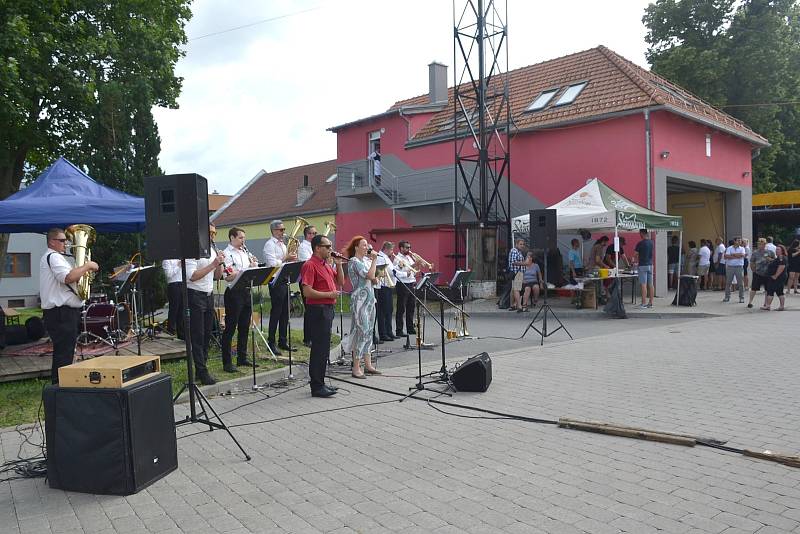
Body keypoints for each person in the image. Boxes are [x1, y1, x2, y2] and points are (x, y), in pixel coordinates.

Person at [40, 227, 100, 383]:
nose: (65, 243)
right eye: (61, 240)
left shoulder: (57, 257)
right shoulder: (53, 256)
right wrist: (87, 266)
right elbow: (67, 278)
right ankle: (60, 385)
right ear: (52, 242)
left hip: (63, 312)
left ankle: (61, 383)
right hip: (60, 312)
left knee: (66, 350)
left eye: (65, 240)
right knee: (64, 352)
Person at [300, 234, 345, 397]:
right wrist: (329, 295)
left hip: (327, 308)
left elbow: (340, 281)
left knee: (324, 348)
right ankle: (316, 386)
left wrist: (339, 265)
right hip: (318, 309)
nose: (330, 249)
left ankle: (321, 382)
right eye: (327, 247)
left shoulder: (326, 265)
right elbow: (307, 292)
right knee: (319, 348)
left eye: (331, 246)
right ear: (317, 248)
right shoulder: (310, 265)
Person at [186, 223, 225, 385]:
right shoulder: (192, 251)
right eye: (210, 233)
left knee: (208, 333)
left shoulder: (211, 250)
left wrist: (221, 263)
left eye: (214, 233)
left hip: (209, 295)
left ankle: (201, 368)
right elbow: (192, 276)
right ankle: (202, 372)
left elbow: (217, 276)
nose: (212, 236)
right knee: (198, 335)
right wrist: (213, 264)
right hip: (194, 295)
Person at [221, 227, 258, 372]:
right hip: (234, 292)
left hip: (246, 292)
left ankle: (242, 358)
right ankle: (227, 362)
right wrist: (245, 271)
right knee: (230, 327)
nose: (244, 240)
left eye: (244, 237)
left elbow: (247, 271)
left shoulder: (244, 252)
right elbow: (228, 275)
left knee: (244, 326)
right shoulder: (227, 253)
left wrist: (253, 265)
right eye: (241, 237)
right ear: (232, 238)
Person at [343, 236, 381, 378]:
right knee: (362, 331)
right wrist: (375, 261)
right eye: (364, 245)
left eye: (367, 245)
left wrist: (374, 274)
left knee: (369, 332)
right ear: (356, 247)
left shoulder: (365, 261)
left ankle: (368, 364)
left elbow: (374, 279)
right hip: (360, 301)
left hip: (370, 300)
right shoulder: (354, 261)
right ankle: (356, 367)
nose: (367, 247)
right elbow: (370, 275)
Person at [263, 219, 297, 355]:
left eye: (284, 229)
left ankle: (282, 341)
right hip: (275, 280)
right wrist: (286, 258)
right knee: (276, 312)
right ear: (274, 230)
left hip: (284, 279)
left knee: (285, 313)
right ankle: (271, 342)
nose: (283, 232)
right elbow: (272, 264)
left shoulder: (283, 245)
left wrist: (292, 258)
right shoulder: (269, 245)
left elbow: (286, 261)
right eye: (281, 230)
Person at [297, 225, 316, 347]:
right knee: (309, 310)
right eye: (312, 233)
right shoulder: (303, 247)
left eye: (315, 233)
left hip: (316, 281)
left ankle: (316, 335)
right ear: (307, 235)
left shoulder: (315, 247)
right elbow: (308, 263)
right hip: (306, 280)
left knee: (316, 309)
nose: (314, 235)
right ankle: (307, 338)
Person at [394, 240, 417, 336]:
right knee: (401, 308)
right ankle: (399, 330)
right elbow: (396, 271)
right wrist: (415, 265)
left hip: (411, 283)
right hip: (403, 284)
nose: (409, 249)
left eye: (409, 247)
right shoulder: (397, 258)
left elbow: (413, 270)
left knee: (411, 307)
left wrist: (417, 264)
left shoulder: (409, 257)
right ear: (401, 248)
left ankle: (410, 328)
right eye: (407, 247)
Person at [374, 241, 396, 342]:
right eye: (391, 250)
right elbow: (379, 271)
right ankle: (383, 333)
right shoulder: (380, 257)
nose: (392, 252)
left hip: (388, 285)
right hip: (382, 286)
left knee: (389, 310)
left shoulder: (386, 258)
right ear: (386, 249)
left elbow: (393, 270)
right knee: (383, 311)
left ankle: (389, 331)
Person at [746, 238, 776, 309]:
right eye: (759, 244)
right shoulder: (755, 252)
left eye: (762, 244)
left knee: (767, 289)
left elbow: (775, 261)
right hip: (758, 273)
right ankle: (750, 302)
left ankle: (765, 303)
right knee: (754, 288)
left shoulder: (770, 252)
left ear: (765, 244)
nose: (760, 245)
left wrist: (769, 259)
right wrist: (753, 270)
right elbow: (752, 262)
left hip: (767, 273)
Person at [162, 259, 184, 339]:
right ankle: (171, 329)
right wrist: (178, 266)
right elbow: (168, 274)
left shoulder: (179, 259)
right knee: (174, 308)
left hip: (182, 284)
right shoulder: (166, 261)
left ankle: (181, 331)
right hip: (173, 285)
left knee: (182, 309)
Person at [762, 244, 788, 311]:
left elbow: (781, 267)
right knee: (779, 292)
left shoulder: (781, 257)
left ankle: (768, 306)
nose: (777, 250)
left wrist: (775, 276)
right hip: (778, 277)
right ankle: (781, 306)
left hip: (777, 277)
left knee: (770, 291)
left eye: (778, 249)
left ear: (782, 250)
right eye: (776, 249)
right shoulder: (778, 257)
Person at [633, 228, 654, 309]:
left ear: (642, 233)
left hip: (642, 265)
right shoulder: (651, 242)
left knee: (643, 284)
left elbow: (635, 254)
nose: (639, 235)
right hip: (650, 264)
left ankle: (643, 303)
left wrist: (634, 259)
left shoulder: (640, 243)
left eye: (640, 233)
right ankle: (651, 303)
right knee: (651, 284)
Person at [723, 237, 746, 303]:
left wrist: (732, 255)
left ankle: (741, 298)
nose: (740, 242)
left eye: (740, 241)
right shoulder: (729, 248)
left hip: (739, 267)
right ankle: (727, 297)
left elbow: (742, 255)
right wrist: (736, 256)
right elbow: (726, 256)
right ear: (734, 241)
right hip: (730, 267)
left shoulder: (742, 248)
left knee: (741, 283)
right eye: (738, 241)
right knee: (728, 283)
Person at [507, 238, 527, 311]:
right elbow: (513, 262)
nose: (522, 246)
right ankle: (519, 306)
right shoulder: (514, 250)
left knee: (513, 290)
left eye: (523, 244)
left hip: (518, 272)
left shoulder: (519, 251)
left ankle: (513, 305)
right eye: (520, 244)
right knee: (517, 289)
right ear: (516, 244)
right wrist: (524, 263)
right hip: (517, 272)